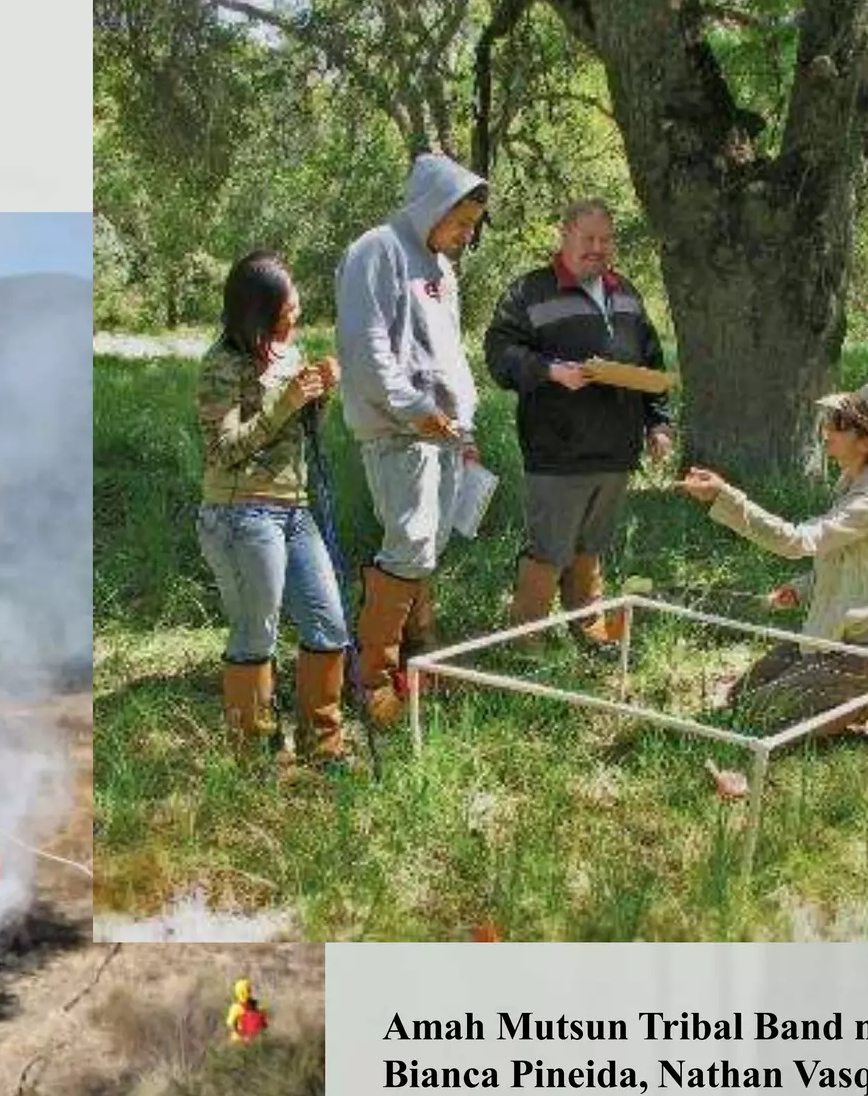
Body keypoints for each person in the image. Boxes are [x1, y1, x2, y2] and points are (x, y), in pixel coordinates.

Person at [336, 153, 490, 723]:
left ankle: (420, 662)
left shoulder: (441, 267)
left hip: (444, 434)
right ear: (433, 205)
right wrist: (415, 408)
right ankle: (372, 676)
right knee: (410, 543)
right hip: (399, 432)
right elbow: (366, 345)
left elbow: (449, 352)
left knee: (429, 546)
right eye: (461, 223)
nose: (464, 235)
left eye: (471, 226)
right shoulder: (376, 250)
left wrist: (463, 428)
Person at [484, 199, 673, 650]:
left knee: (592, 544)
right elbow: (499, 356)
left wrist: (658, 423)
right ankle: (525, 639)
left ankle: (589, 630)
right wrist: (550, 371)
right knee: (550, 546)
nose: (597, 248)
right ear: (564, 235)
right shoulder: (529, 292)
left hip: (616, 449)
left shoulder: (625, 291)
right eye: (587, 238)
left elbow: (650, 361)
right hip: (557, 449)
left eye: (606, 239)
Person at [677, 385, 868, 739]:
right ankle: (863, 694)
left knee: (757, 721)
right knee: (741, 701)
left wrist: (725, 497)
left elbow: (797, 541)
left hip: (856, 651)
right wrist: (802, 589)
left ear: (866, 442)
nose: (827, 431)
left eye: (838, 423)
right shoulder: (852, 481)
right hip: (826, 636)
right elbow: (847, 561)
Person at [195, 250, 351, 763]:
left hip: (294, 509)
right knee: (255, 634)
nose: (294, 320)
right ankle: (256, 755)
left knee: (328, 623)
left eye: (297, 313)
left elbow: (297, 432)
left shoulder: (289, 354)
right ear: (256, 313)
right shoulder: (222, 365)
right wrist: (284, 402)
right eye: (285, 314)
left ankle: (322, 747)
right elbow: (222, 450)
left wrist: (317, 398)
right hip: (241, 515)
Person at [225, 978, 269, 1044]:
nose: (250, 991)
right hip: (243, 1041)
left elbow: (229, 1024)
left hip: (247, 1040)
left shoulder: (254, 1005)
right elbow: (230, 1024)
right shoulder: (238, 1007)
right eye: (248, 989)